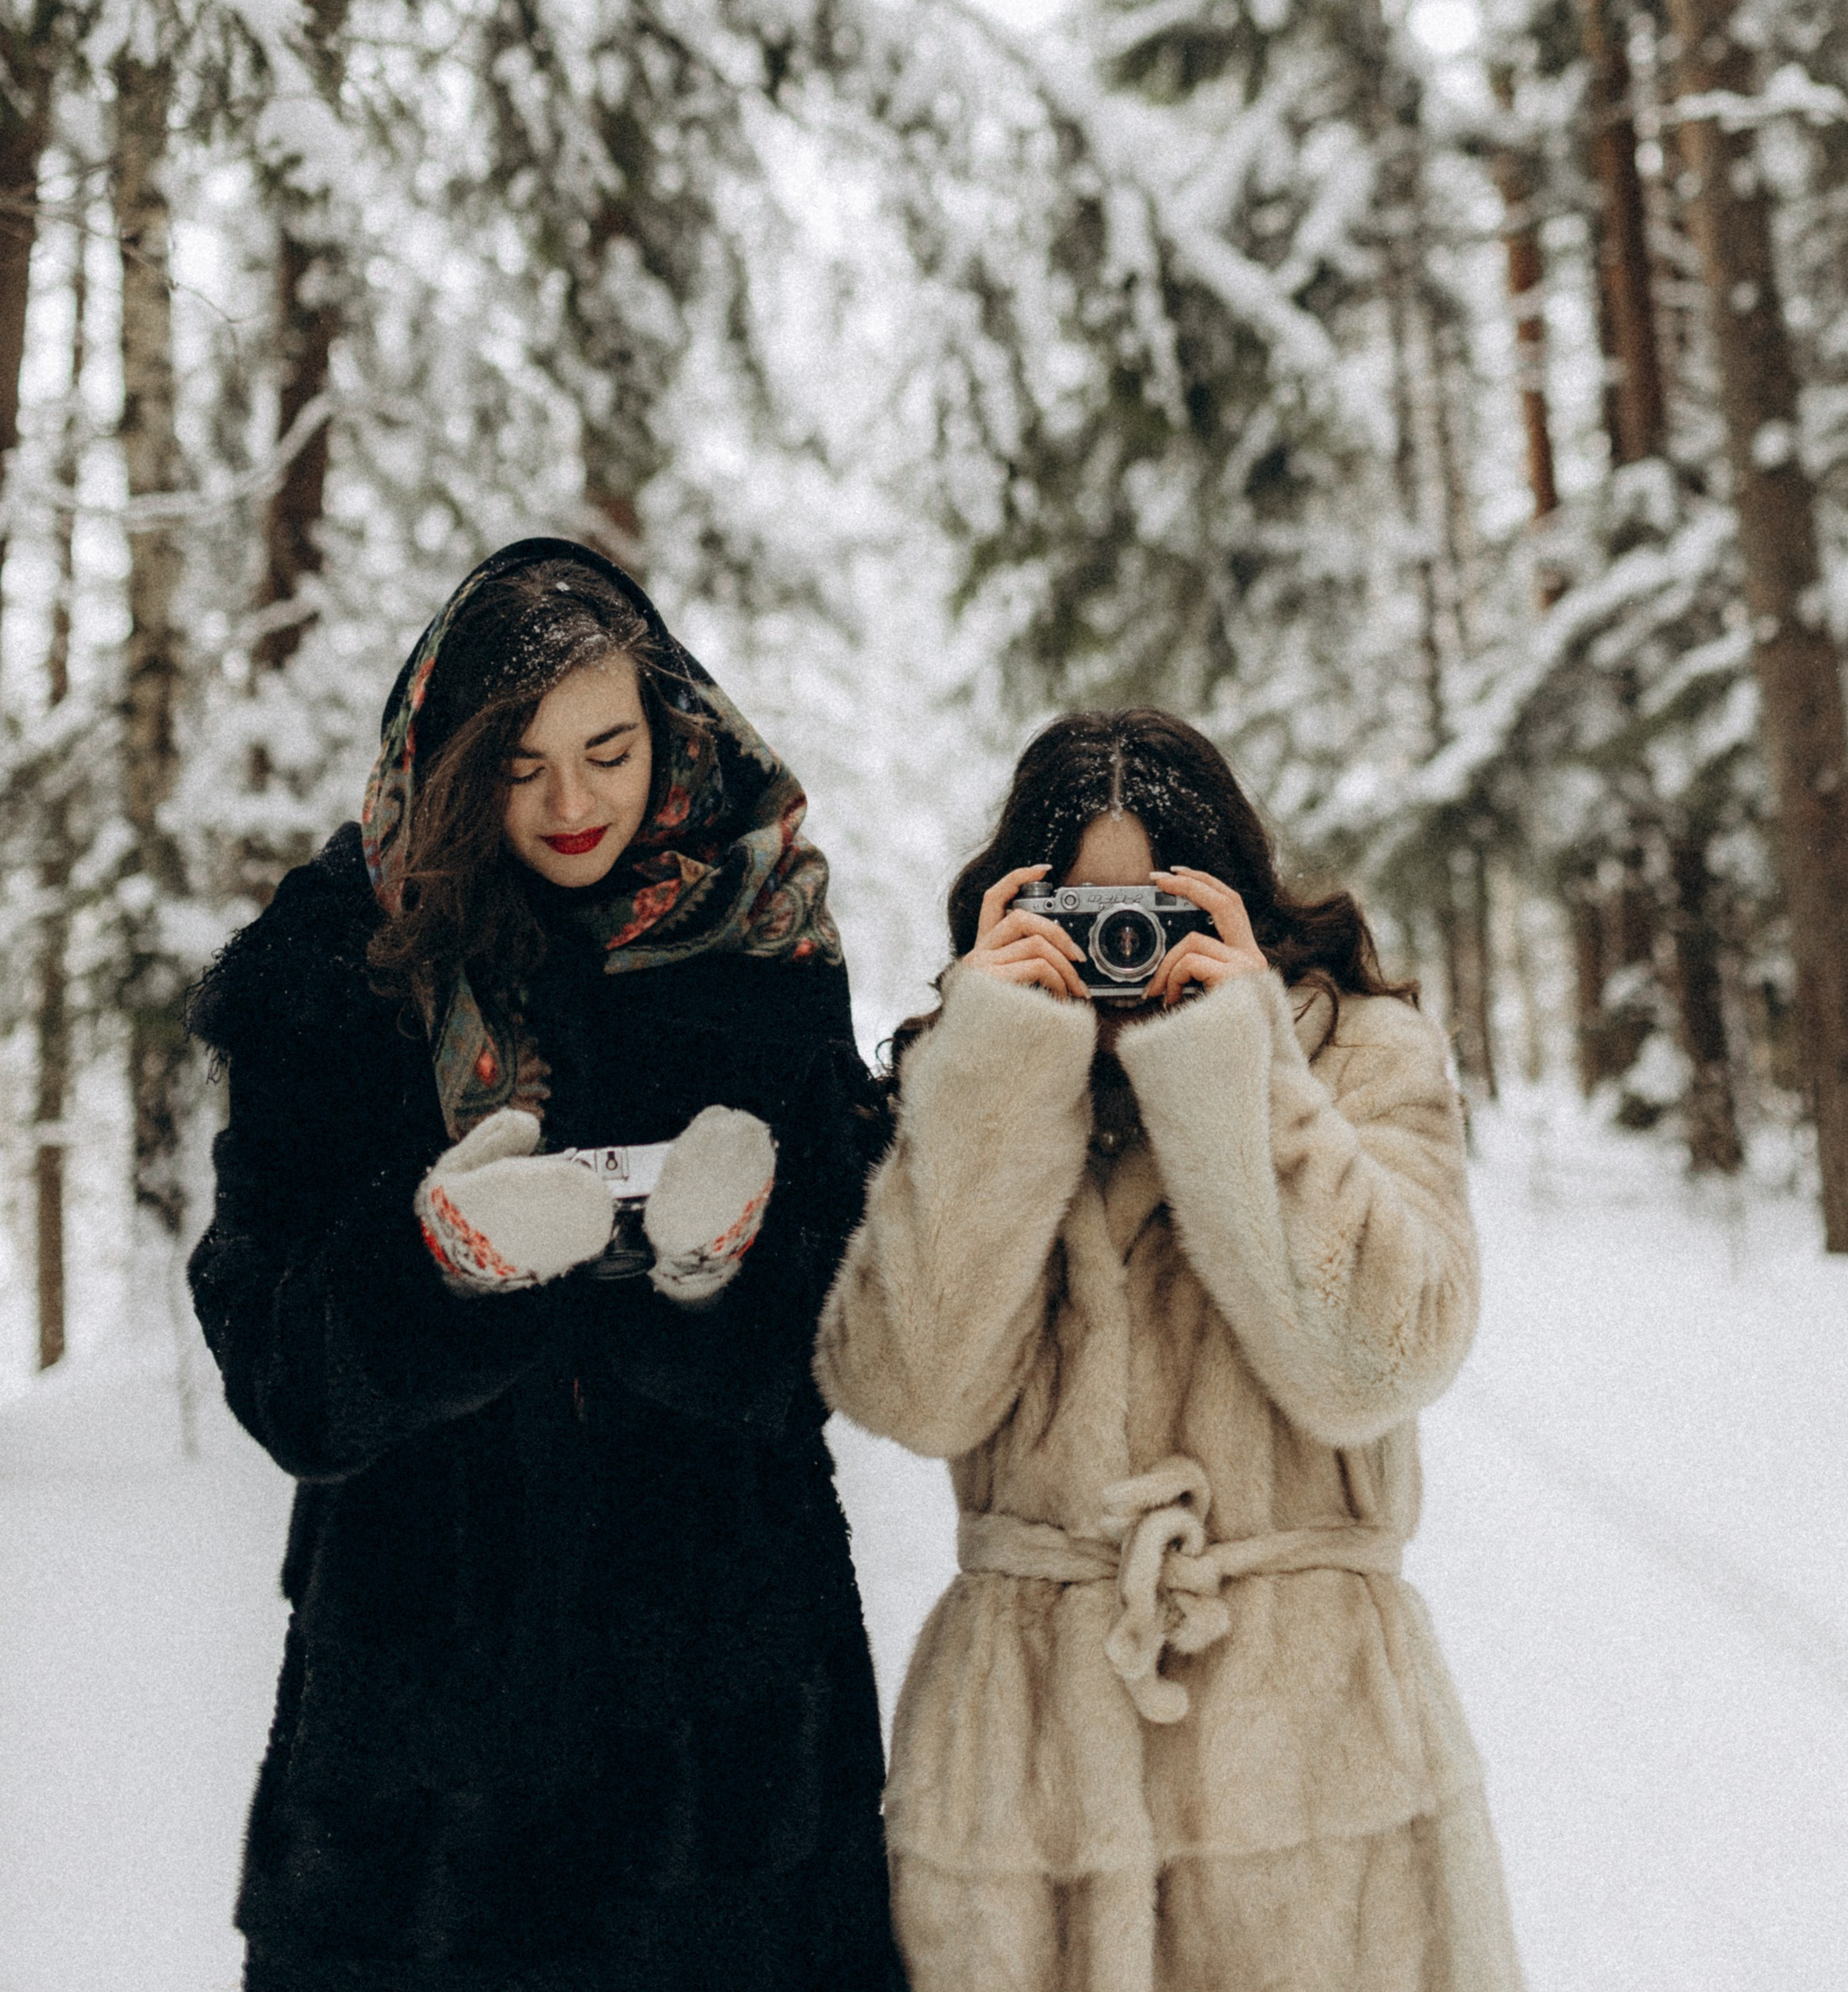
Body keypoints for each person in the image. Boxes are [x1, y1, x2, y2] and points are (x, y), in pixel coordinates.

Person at [188, 537, 902, 1992]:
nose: (573, 802)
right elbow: (281, 1377)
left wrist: (725, 1275)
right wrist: (425, 1270)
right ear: (447, 758)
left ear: (673, 727)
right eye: (517, 765)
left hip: (724, 1755)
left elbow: (845, 1338)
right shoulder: (333, 974)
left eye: (609, 749)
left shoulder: (760, 952)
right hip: (419, 1769)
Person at [815, 708, 1524, 1992]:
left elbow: (1384, 1359)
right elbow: (909, 1392)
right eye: (1085, 913)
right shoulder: (973, 1068)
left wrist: (1242, 1066)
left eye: (1155, 910)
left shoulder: (1359, 1055)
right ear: (1017, 908)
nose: (1122, 950)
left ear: (1234, 898)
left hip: (1316, 1776)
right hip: (1031, 1784)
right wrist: (995, 1075)